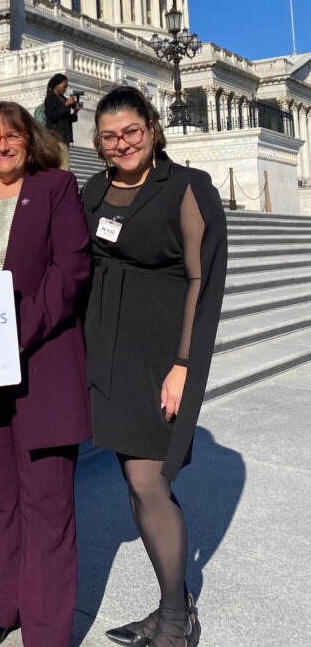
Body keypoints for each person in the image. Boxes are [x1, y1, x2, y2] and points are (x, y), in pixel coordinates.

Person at [81, 87, 227, 647]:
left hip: (162, 352)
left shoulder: (188, 188)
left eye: (132, 132)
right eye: (110, 136)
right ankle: (173, 605)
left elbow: (202, 280)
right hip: (109, 351)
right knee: (136, 482)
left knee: (149, 479)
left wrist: (184, 365)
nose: (122, 144)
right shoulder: (95, 188)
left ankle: (174, 619)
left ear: (152, 129)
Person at [0, 102, 92, 647]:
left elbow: (71, 271)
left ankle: (48, 628)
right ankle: (2, 605)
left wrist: (13, 332)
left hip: (42, 362)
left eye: (12, 135)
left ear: (30, 141)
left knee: (48, 502)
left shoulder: (56, 187)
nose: (1, 145)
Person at [44, 72, 81, 144]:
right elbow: (52, 116)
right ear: (57, 85)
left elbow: (68, 119)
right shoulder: (50, 98)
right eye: (64, 86)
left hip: (64, 136)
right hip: (55, 136)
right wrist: (66, 104)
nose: (65, 89)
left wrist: (75, 112)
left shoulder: (63, 99)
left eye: (67, 87)